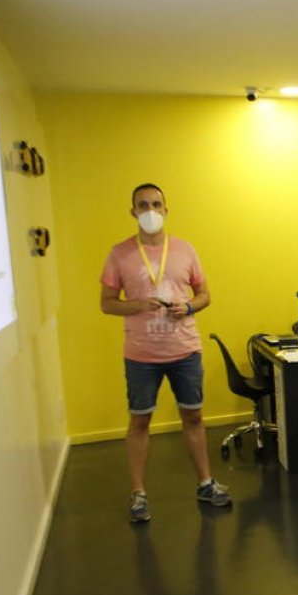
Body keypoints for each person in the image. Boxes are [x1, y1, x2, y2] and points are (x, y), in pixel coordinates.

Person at [100, 183, 231, 524]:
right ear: (133, 212)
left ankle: (205, 482)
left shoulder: (185, 250)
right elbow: (107, 304)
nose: (150, 211)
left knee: (194, 417)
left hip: (184, 349)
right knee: (140, 422)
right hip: (141, 354)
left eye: (156, 204)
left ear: (166, 208)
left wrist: (187, 306)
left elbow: (205, 294)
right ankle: (139, 494)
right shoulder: (119, 253)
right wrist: (137, 305)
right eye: (143, 205)